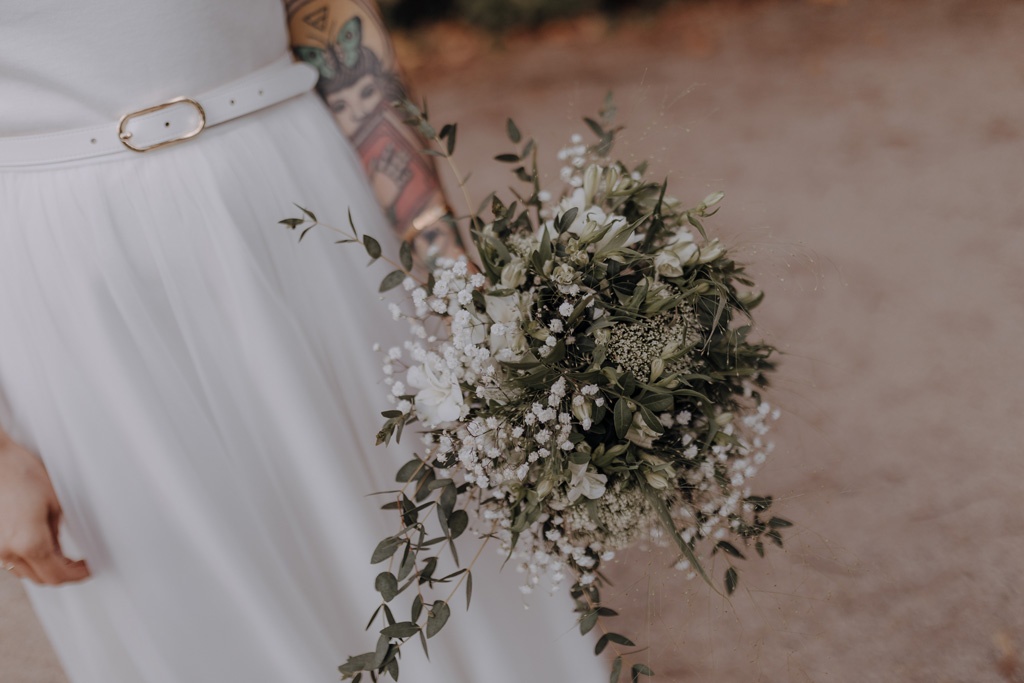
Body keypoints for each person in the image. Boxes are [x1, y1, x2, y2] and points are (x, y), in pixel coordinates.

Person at [0, 1, 609, 681]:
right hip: (61, 281)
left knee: (433, 545)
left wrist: (453, 278)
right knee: (202, 618)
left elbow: (332, 15)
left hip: (303, 199)